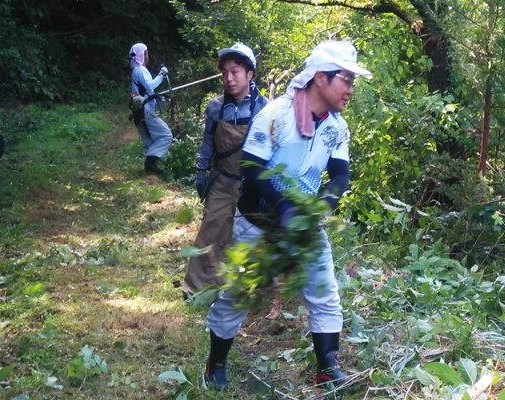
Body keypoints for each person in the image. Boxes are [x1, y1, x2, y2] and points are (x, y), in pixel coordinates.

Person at [202, 41, 372, 391]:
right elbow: (251, 165)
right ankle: (215, 365)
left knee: (324, 292)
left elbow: (340, 176)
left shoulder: (336, 128)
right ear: (321, 79)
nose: (351, 89)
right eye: (346, 79)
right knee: (238, 294)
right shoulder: (277, 114)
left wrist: (320, 207)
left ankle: (328, 367)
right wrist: (283, 205)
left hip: (303, 226)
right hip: (257, 221)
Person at [182, 44, 268, 298]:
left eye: (236, 71)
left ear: (250, 74)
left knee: (251, 235)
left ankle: (250, 291)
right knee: (211, 231)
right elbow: (208, 142)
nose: (229, 78)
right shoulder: (216, 107)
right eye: (225, 73)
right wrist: (201, 170)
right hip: (222, 180)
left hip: (252, 185)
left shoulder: (266, 109)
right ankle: (198, 289)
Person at [129, 43, 173, 174]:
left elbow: (145, 92)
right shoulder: (139, 70)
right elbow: (149, 86)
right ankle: (151, 162)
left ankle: (150, 169)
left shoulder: (137, 70)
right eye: (146, 53)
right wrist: (162, 74)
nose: (148, 56)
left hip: (139, 111)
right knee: (166, 135)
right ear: (141, 55)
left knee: (149, 140)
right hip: (144, 111)